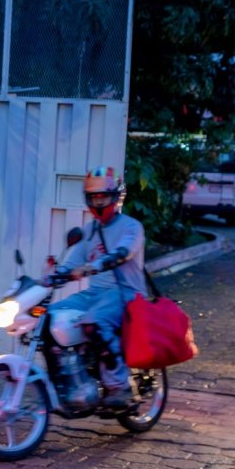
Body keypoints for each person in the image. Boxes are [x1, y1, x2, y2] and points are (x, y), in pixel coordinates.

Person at [51, 166, 146, 408]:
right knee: (50, 317)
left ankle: (120, 386)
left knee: (95, 321)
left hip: (125, 292)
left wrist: (91, 267)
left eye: (103, 196)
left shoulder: (131, 227)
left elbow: (122, 253)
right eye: (94, 197)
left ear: (115, 198)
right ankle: (71, 376)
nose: (98, 202)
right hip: (95, 294)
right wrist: (53, 275)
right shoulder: (90, 230)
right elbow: (72, 261)